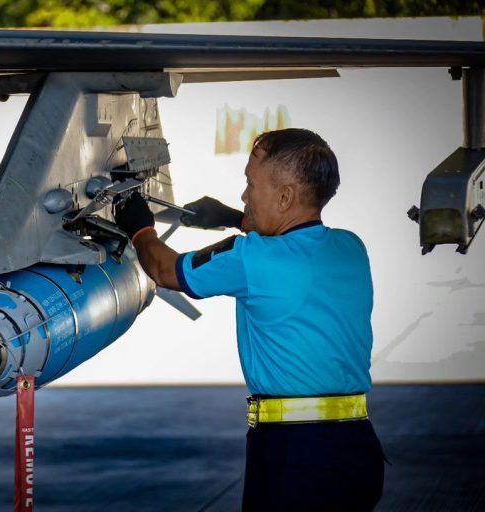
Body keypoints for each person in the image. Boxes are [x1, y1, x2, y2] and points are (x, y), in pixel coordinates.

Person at [114, 128, 385, 511]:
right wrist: (233, 217)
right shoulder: (351, 248)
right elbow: (292, 239)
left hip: (295, 457)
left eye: (249, 184)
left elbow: (166, 270)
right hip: (357, 450)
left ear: (286, 195)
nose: (244, 195)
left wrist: (140, 227)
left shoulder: (251, 258)